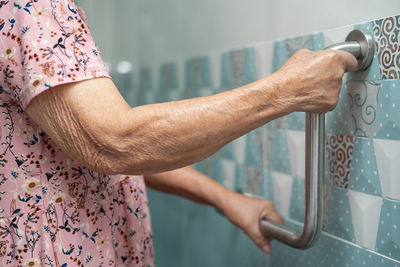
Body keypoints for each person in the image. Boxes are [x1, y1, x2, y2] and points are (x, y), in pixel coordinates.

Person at [0, 0, 357, 266]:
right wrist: (288, 90)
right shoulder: (32, 8)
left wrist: (223, 197)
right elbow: (114, 144)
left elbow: (85, 153)